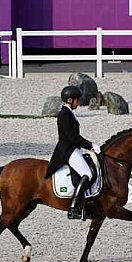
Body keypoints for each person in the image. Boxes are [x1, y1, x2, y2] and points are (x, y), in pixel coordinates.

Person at [45, 85, 101, 220]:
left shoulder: (69, 112)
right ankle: (74, 209)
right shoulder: (64, 114)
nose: (79, 102)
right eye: (77, 100)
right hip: (68, 150)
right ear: (70, 100)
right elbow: (72, 138)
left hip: (73, 149)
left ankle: (86, 204)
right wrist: (91, 145)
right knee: (87, 174)